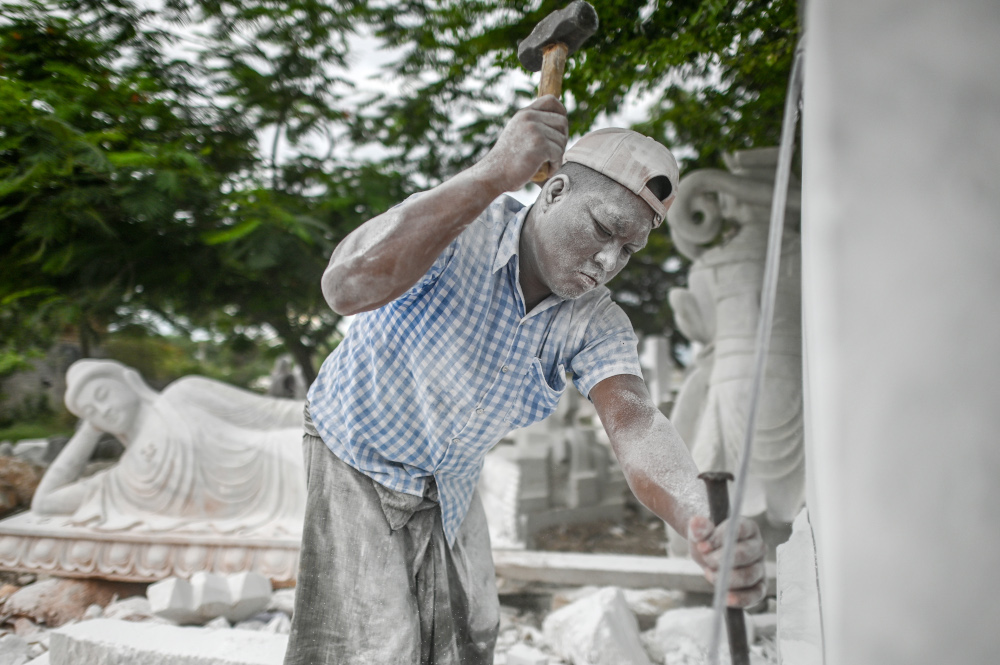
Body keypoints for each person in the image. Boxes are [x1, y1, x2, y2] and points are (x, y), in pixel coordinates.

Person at [284, 96, 766, 665]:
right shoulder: (457, 229)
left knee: (469, 639)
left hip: (449, 482)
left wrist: (699, 516)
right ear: (555, 191)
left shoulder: (594, 320)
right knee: (371, 649)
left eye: (629, 248)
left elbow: (636, 423)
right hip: (355, 453)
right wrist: (492, 172)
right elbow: (344, 287)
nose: (609, 260)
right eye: (604, 228)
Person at [33, 359, 306, 536]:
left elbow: (273, 413)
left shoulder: (184, 395)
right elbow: (45, 502)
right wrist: (89, 430)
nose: (103, 410)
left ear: (128, 380)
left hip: (296, 458)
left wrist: (341, 413)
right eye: (91, 411)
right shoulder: (127, 476)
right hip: (272, 515)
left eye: (103, 394)